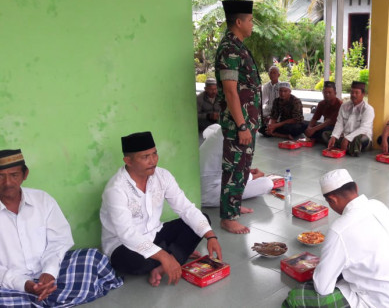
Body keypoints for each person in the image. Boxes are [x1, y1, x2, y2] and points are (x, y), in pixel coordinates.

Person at [0, 149, 123, 307]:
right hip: (9, 282)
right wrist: (24, 284)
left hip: (50, 272)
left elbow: (59, 240)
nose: (8, 182)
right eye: (1, 176)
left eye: (14, 175)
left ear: (25, 175)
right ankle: (53, 297)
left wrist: (49, 272)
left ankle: (39, 299)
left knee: (92, 257)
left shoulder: (42, 200)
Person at [100, 132, 222, 287]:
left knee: (203, 221)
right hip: (123, 245)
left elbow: (185, 208)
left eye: (155, 154)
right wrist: (165, 257)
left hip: (156, 232)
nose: (153, 161)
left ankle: (162, 264)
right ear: (128, 161)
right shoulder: (116, 189)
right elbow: (126, 233)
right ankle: (173, 256)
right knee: (134, 262)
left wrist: (211, 236)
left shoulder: (163, 176)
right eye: (145, 157)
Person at [283, 169, 389, 308]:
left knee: (297, 297)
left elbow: (323, 288)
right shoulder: (378, 205)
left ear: (332, 200)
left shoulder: (339, 230)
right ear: (356, 187)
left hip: (380, 303)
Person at [215, 0, 261, 234]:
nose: (253, 24)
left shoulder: (238, 45)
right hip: (238, 124)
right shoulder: (230, 49)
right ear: (239, 21)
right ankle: (227, 217)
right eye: (251, 20)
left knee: (243, 166)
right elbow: (230, 90)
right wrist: (242, 125)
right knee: (234, 167)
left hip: (247, 123)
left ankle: (234, 206)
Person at [199, 124, 273, 207]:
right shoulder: (236, 139)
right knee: (267, 183)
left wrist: (247, 172)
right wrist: (254, 176)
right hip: (208, 194)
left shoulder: (220, 129)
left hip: (196, 184)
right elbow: (236, 177)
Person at [325, 81, 374, 157]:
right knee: (325, 134)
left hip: (360, 137)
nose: (353, 95)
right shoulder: (344, 106)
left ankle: (348, 147)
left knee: (359, 139)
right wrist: (334, 136)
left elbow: (364, 128)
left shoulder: (368, 109)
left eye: (356, 93)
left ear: (363, 94)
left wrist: (348, 138)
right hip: (344, 136)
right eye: (352, 92)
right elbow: (339, 123)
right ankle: (350, 148)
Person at [260, 66, 281, 134]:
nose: (272, 75)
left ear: (279, 75)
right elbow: (262, 100)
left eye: (274, 73)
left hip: (279, 110)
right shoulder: (266, 86)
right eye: (270, 73)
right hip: (269, 109)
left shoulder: (282, 86)